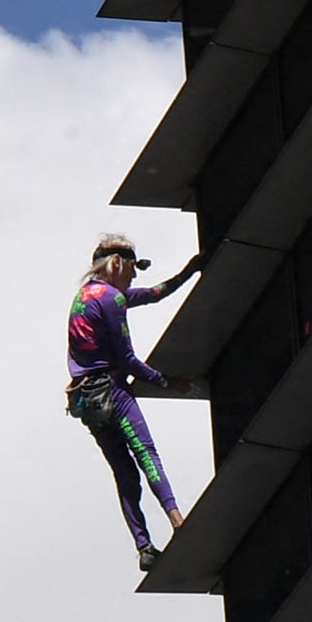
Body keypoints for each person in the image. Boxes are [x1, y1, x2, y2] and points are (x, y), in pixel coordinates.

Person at [68, 232, 202, 560]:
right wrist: (169, 383)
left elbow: (152, 294)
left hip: (86, 401)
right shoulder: (111, 300)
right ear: (116, 262)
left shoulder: (85, 296)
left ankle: (143, 547)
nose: (133, 275)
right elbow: (128, 360)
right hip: (113, 392)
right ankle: (177, 520)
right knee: (146, 454)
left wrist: (188, 271)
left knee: (124, 473)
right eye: (132, 267)